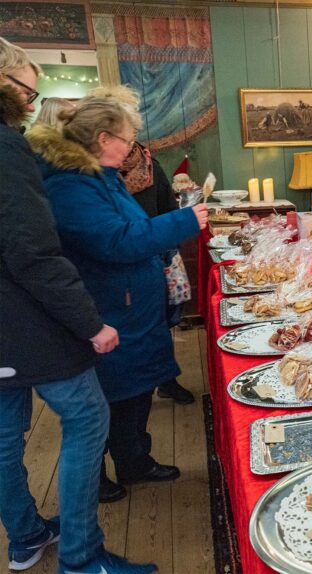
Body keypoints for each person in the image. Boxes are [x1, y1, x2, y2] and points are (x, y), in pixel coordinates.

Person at [0, 37, 156, 574]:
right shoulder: (9, 149)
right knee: (88, 418)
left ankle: (25, 538)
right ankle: (83, 558)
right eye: (25, 88)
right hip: (25, 322)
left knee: (4, 437)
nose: (31, 100)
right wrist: (88, 323)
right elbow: (33, 251)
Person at [26, 95, 208, 505]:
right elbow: (114, 240)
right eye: (127, 138)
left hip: (132, 304)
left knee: (135, 390)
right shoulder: (71, 184)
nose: (132, 146)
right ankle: (97, 476)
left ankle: (134, 460)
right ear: (104, 138)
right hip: (110, 306)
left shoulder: (102, 175)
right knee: (109, 397)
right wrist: (181, 221)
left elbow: (131, 227)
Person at [120, 141, 196, 405]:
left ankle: (165, 381)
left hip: (155, 256)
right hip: (120, 262)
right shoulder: (98, 176)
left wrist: (169, 249)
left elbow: (168, 210)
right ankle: (131, 392)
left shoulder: (152, 167)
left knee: (160, 325)